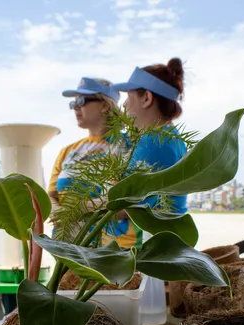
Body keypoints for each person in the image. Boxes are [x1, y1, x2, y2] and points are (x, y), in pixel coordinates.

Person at [48, 77, 143, 249]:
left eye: (82, 101)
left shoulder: (132, 146)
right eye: (73, 103)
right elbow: (51, 195)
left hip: (116, 250)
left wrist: (77, 209)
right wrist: (57, 211)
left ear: (105, 104)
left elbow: (134, 204)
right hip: (68, 248)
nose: (75, 107)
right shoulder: (67, 151)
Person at [111, 57, 190, 215]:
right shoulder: (170, 137)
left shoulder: (154, 140)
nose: (124, 105)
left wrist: (81, 208)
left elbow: (121, 207)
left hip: (153, 237)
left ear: (147, 98)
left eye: (128, 96)